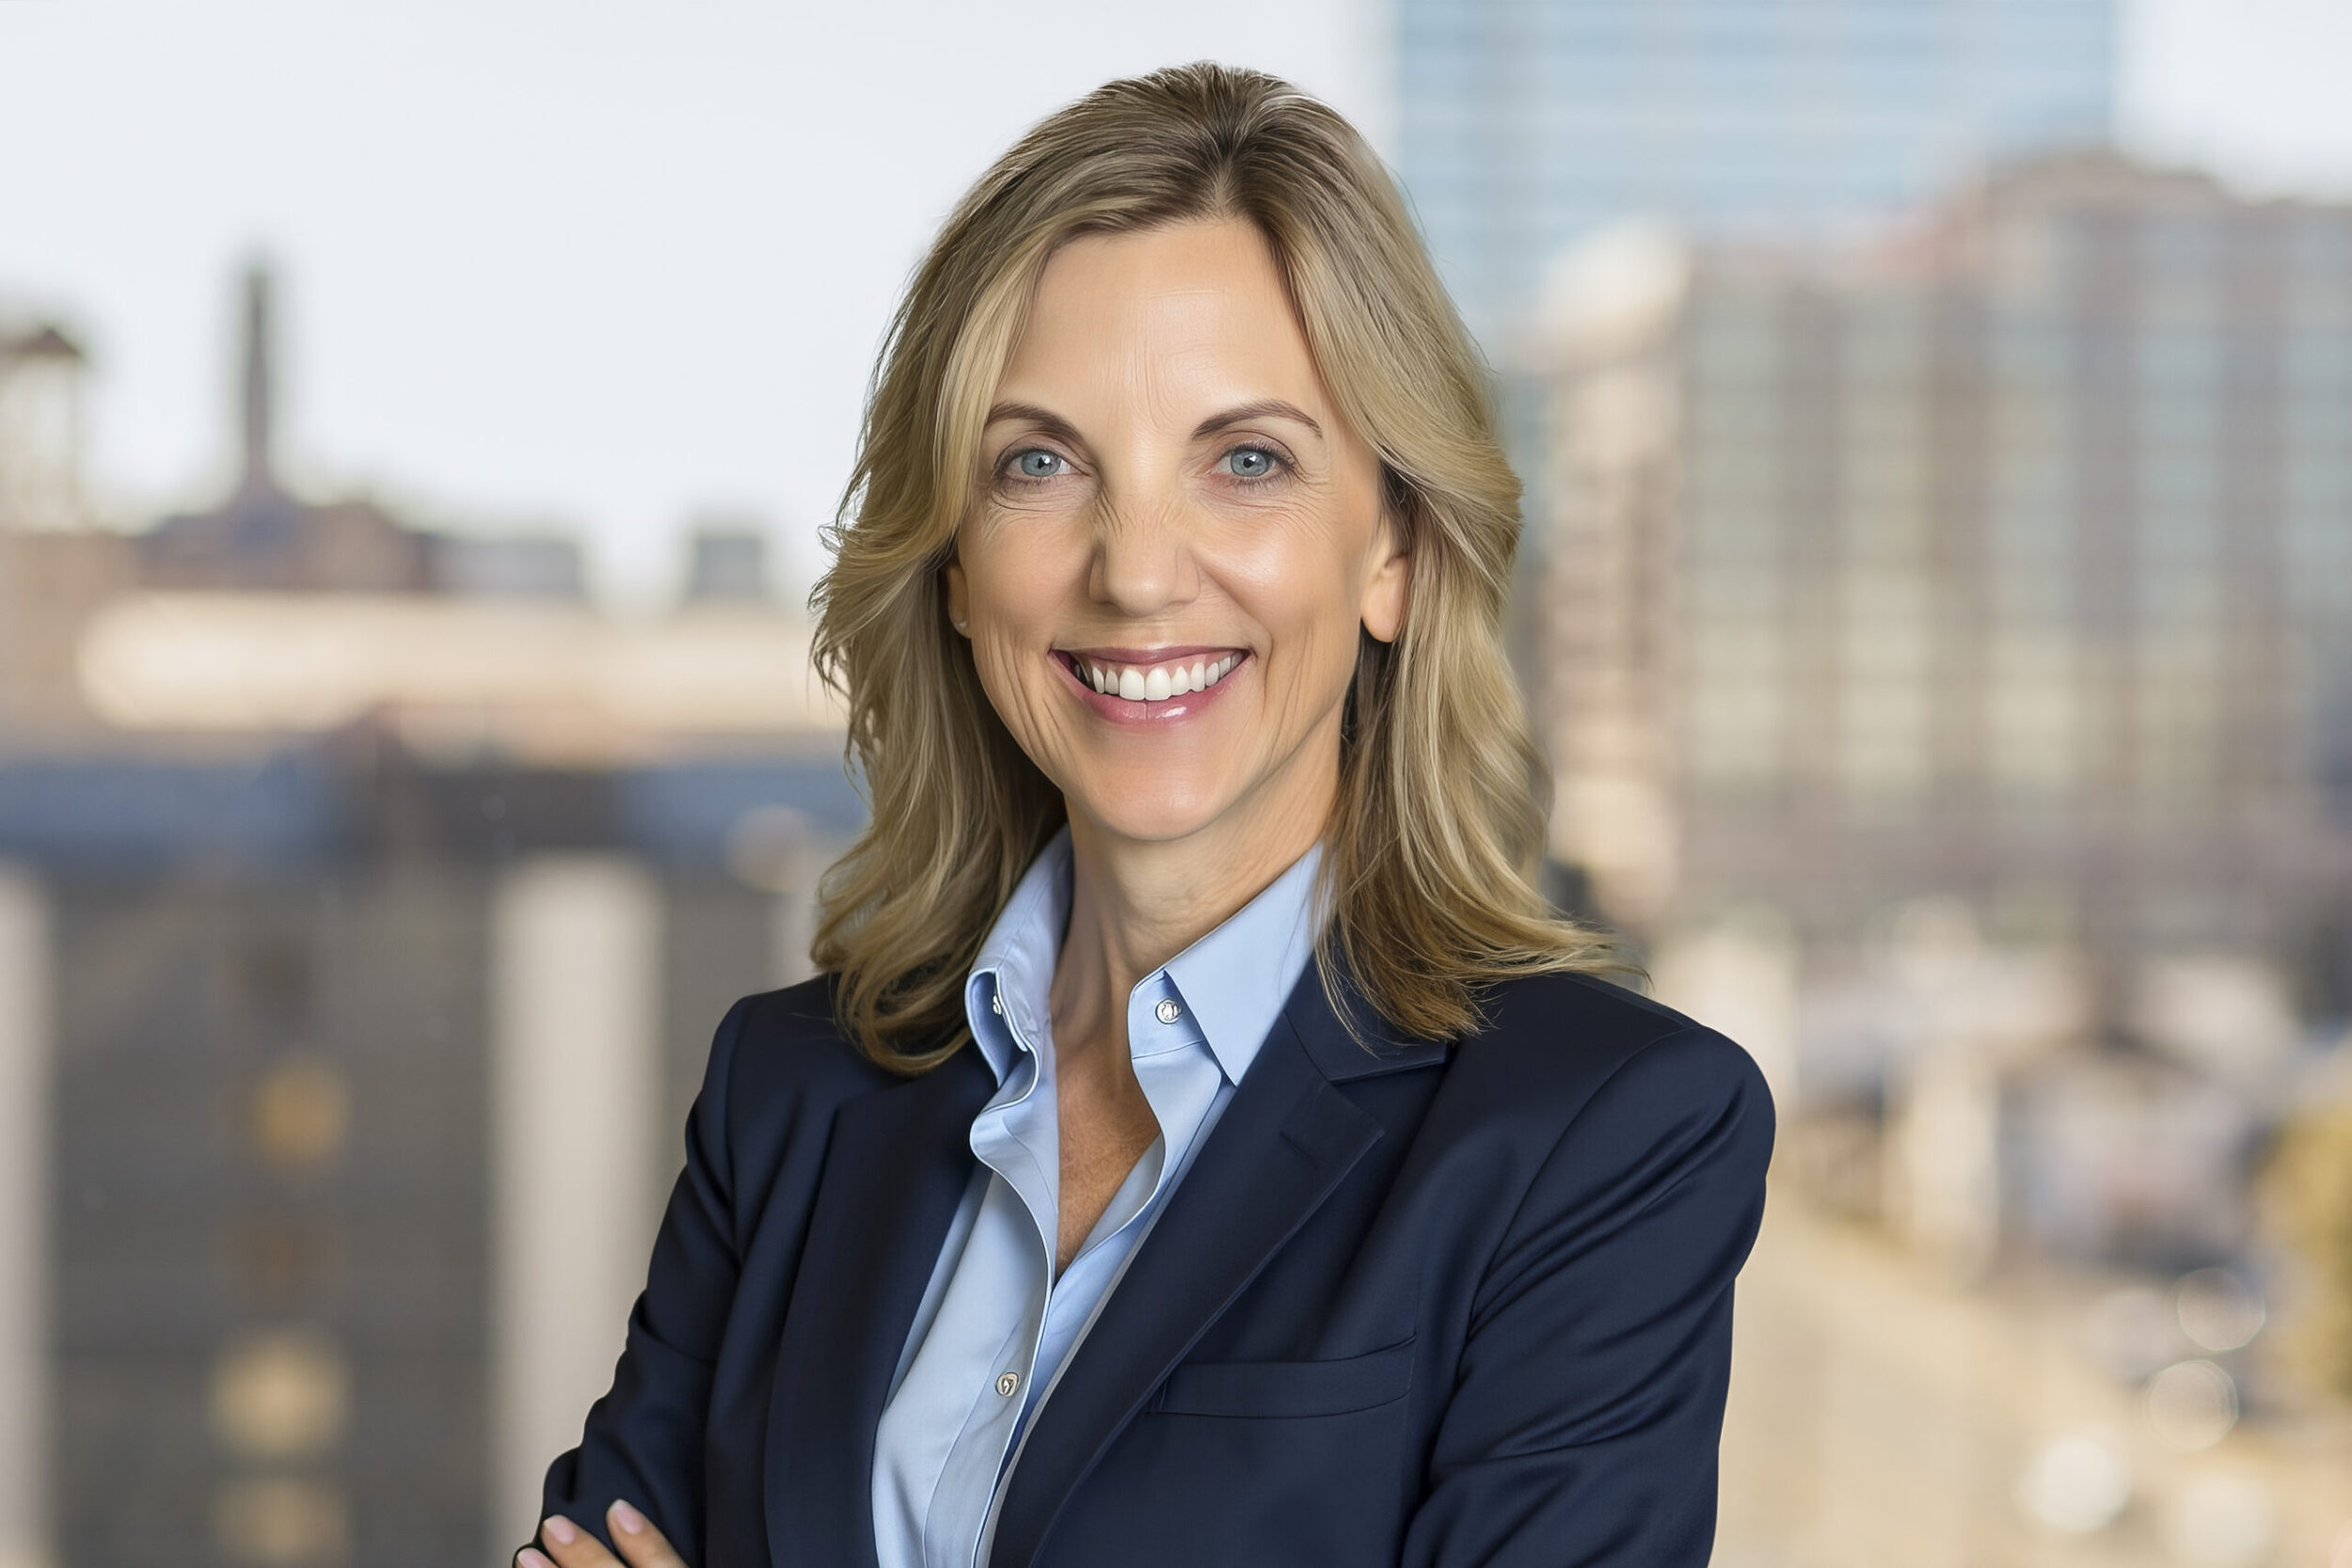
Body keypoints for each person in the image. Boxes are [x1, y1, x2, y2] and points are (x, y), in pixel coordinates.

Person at [516, 62, 1772, 1568]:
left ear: (1395, 555)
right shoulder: (789, 1097)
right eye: (1040, 463)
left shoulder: (1602, 1137)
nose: (1137, 569)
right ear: (959, 564)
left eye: (1245, 461)